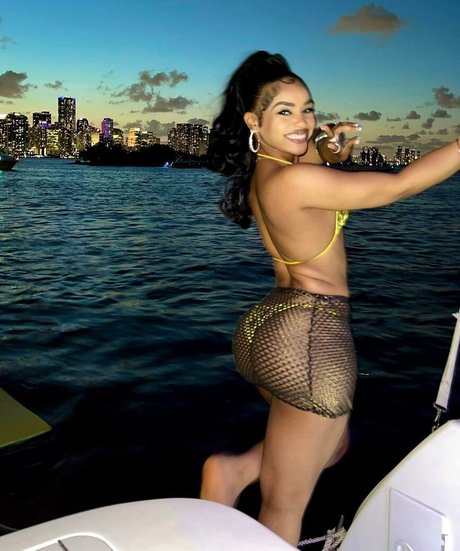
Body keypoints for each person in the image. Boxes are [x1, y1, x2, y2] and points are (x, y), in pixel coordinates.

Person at [199, 50, 460, 547]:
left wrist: (325, 146)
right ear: (253, 121)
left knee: (332, 446)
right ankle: (237, 483)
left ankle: (232, 471)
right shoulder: (296, 180)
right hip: (311, 339)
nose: (302, 121)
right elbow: (398, 186)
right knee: (284, 506)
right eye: (285, 112)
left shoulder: (268, 173)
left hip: (264, 332)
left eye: (308, 109)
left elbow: (312, 165)